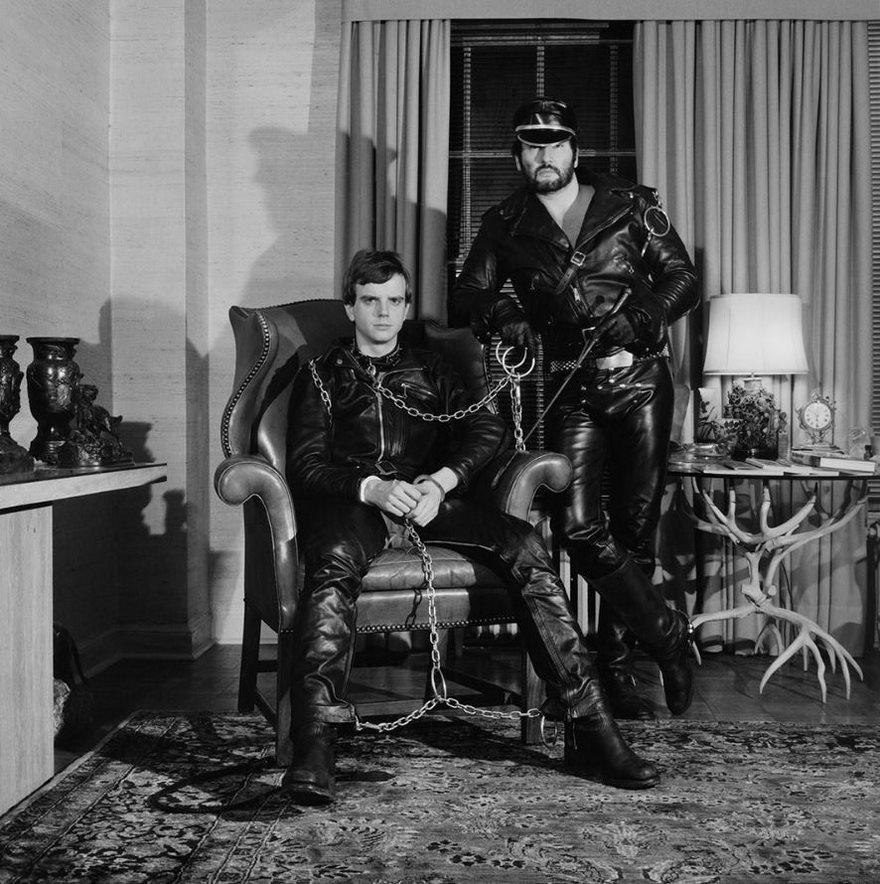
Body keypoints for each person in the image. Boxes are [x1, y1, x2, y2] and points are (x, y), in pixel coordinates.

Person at [283, 248, 661, 806]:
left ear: (406, 306)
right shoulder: (320, 374)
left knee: (525, 546)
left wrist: (439, 482)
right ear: (350, 307)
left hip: (429, 502)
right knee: (333, 558)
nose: (383, 313)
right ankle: (315, 741)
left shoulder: (433, 370)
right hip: (356, 505)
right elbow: (305, 464)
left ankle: (589, 724)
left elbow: (487, 432)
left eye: (394, 301)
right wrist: (372, 488)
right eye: (370, 301)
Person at [448, 97, 700, 722]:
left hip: (642, 381)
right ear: (517, 156)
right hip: (572, 386)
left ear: (574, 150)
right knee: (578, 525)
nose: (544, 155)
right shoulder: (504, 222)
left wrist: (643, 315)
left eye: (554, 143)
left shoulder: (632, 204)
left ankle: (617, 669)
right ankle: (669, 635)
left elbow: (683, 280)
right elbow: (466, 291)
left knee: (636, 529)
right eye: (532, 146)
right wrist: (504, 314)